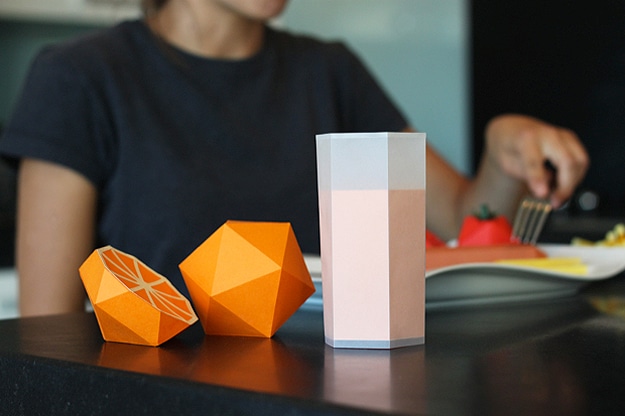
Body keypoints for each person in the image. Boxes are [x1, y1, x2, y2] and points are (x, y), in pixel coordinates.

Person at [0, 0, 588, 317]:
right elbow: (45, 336)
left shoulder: (331, 71)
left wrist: (502, 155)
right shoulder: (79, 77)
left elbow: (465, 222)